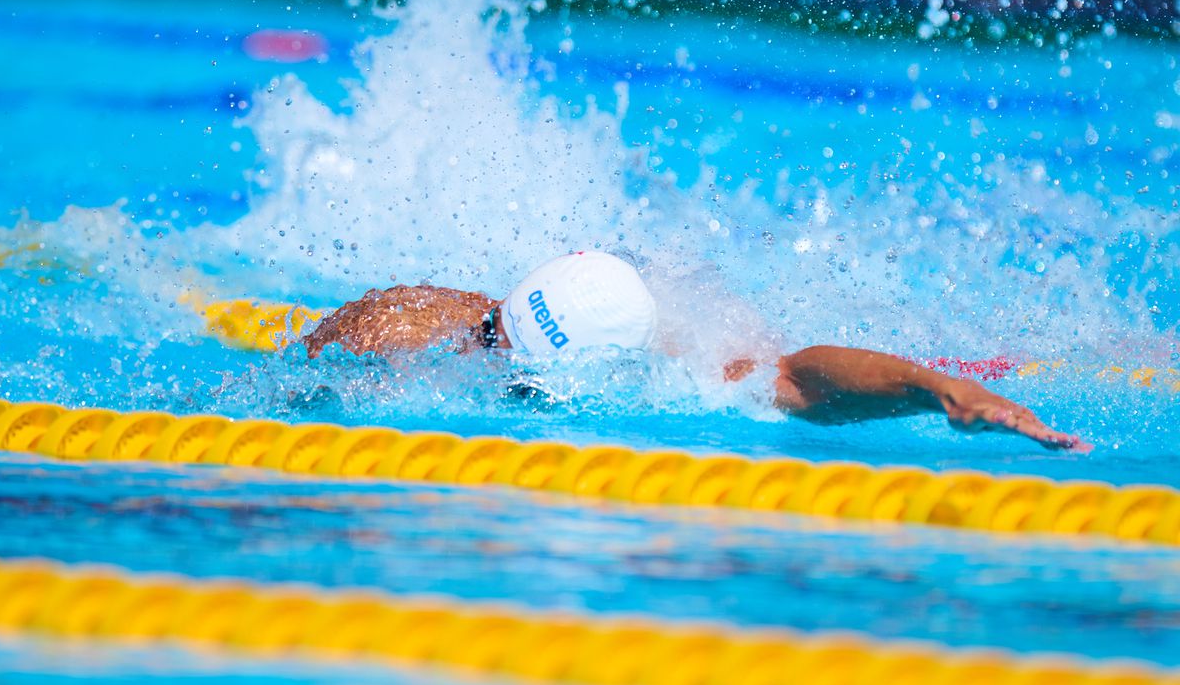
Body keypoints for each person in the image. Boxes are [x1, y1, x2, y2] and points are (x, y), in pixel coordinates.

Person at [305, 251, 1090, 451]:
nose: (491, 351)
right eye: (495, 336)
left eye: (513, 354)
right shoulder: (413, 318)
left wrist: (935, 386)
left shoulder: (678, 374)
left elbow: (803, 378)